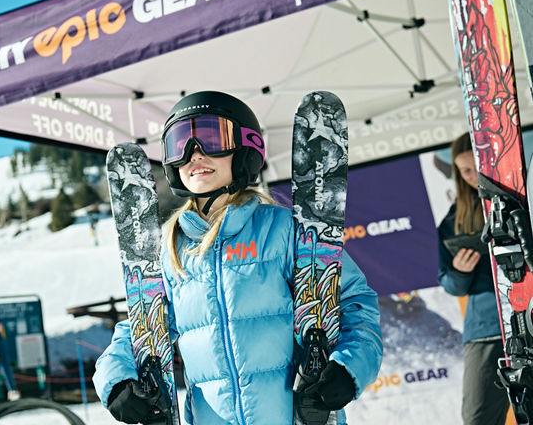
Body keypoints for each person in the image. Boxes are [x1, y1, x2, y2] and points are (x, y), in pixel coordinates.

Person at [93, 91, 383, 424]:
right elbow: (140, 329)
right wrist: (116, 381)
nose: (195, 154)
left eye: (212, 138)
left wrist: (350, 367)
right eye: (180, 144)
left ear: (245, 149)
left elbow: (353, 304)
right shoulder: (172, 251)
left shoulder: (284, 230)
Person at [437, 134, 509, 425]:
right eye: (465, 171)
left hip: (526, 317)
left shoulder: (523, 201)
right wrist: (459, 271)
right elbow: (450, 285)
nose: (473, 177)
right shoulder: (452, 221)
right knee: (479, 418)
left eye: (477, 167)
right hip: (486, 329)